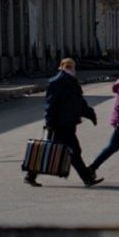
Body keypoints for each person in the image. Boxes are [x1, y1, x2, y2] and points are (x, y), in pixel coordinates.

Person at [25, 58, 103, 187]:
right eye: (67, 66)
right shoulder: (57, 81)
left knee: (55, 150)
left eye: (72, 66)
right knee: (72, 151)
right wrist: (49, 122)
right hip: (60, 124)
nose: (70, 69)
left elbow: (79, 101)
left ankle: (30, 175)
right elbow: (51, 103)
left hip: (68, 122)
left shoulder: (71, 81)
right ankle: (87, 178)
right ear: (61, 66)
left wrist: (90, 113)